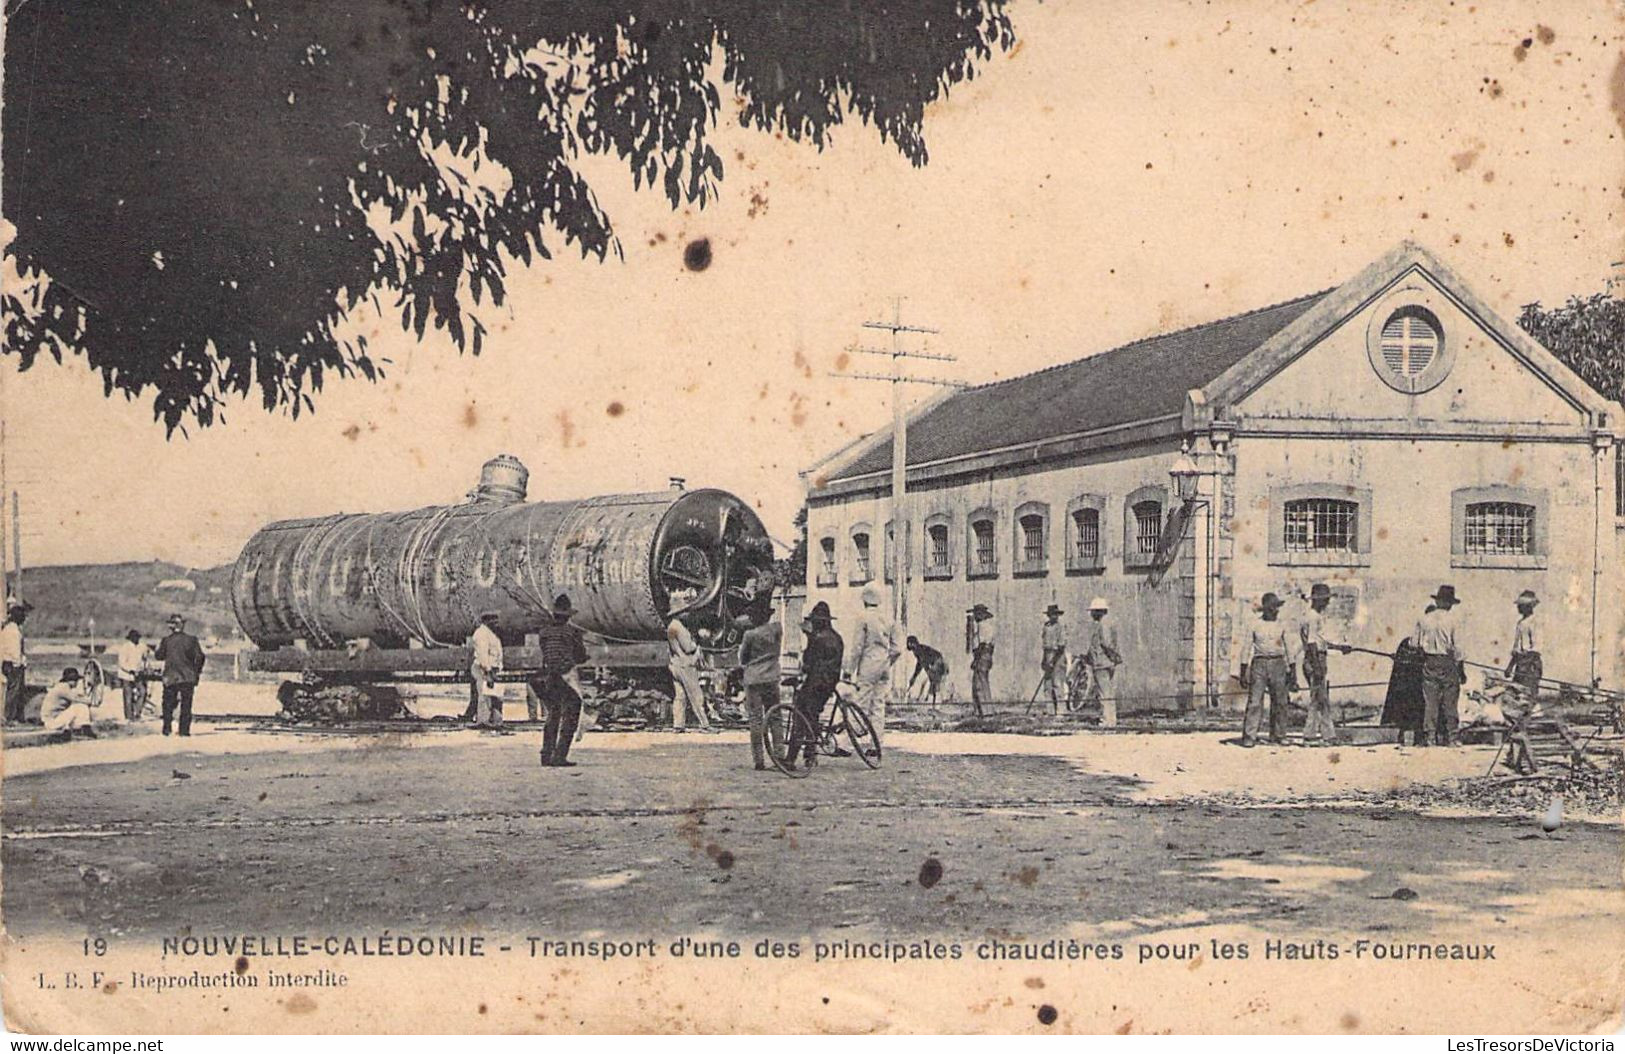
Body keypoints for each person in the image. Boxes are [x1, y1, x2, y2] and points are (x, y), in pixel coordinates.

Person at [1238, 592, 1301, 747]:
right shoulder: (1254, 624)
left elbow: (1290, 649)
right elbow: (1246, 648)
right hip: (1259, 664)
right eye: (1272, 607)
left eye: (1277, 607)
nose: (1275, 610)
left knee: (1280, 701)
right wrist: (1243, 672)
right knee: (1254, 701)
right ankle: (1249, 736)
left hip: (1278, 664)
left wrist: (1293, 671)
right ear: (1265, 609)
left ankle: (1278, 735)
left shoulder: (1282, 625)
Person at [534, 594, 589, 767]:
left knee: (553, 714)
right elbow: (580, 655)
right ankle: (560, 755)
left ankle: (546, 754)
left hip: (550, 676)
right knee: (571, 714)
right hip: (565, 676)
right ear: (568, 616)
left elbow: (546, 652)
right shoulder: (572, 632)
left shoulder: (544, 633)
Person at [790, 602, 843, 770]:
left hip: (815, 683)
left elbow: (808, 664)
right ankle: (810, 755)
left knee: (800, 715)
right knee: (813, 716)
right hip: (829, 685)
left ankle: (791, 757)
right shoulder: (837, 638)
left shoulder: (817, 639)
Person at [847, 585, 899, 747]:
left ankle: (847, 743)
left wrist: (849, 670)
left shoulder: (862, 618)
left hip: (868, 664)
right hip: (884, 665)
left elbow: (857, 647)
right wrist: (887, 662)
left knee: (859, 703)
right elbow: (897, 649)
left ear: (864, 600)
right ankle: (876, 744)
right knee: (878, 706)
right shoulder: (889, 619)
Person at [1414, 584, 1465, 747]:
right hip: (1448, 662)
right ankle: (1452, 738)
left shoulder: (1424, 619)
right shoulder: (1454, 620)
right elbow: (1458, 648)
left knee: (1431, 702)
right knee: (1450, 701)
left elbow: (1415, 644)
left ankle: (1430, 737)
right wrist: (1461, 670)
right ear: (1450, 603)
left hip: (1429, 661)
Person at [737, 601, 782, 771]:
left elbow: (743, 659)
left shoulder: (750, 635)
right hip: (772, 677)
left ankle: (759, 760)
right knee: (776, 717)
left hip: (754, 679)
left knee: (755, 719)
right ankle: (779, 755)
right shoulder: (777, 629)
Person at [1298, 584, 1341, 745]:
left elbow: (1320, 641)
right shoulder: (1313, 617)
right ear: (1318, 600)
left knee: (1318, 698)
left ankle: (1313, 733)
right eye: (1325, 600)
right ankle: (1323, 735)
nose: (1327, 603)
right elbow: (1311, 644)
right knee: (1319, 698)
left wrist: (1339, 647)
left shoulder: (1312, 616)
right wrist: (1317, 666)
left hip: (1316, 656)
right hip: (1314, 658)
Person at [152, 614, 205, 737]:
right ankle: (184, 731)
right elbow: (200, 657)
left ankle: (167, 729)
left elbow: (159, 656)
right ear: (182, 626)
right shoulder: (192, 640)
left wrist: (157, 649)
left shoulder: (166, 640)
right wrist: (196, 672)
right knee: (186, 705)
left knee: (167, 704)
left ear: (173, 626)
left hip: (170, 677)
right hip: (188, 677)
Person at [667, 590, 711, 731]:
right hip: (686, 664)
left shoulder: (671, 626)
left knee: (680, 696)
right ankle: (704, 724)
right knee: (696, 695)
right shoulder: (680, 628)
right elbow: (688, 647)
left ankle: (678, 724)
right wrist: (699, 641)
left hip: (675, 664)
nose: (688, 613)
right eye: (686, 610)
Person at [1380, 635, 1428, 746]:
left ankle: (1405, 733)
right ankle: (1413, 735)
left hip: (1407, 681)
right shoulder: (1412, 645)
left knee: (1407, 702)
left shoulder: (1407, 645)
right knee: (1413, 701)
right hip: (1410, 681)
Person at [1082, 598, 1123, 727]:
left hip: (1102, 663)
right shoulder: (1108, 623)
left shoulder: (1103, 624)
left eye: (1093, 611)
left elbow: (1106, 643)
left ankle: (1107, 720)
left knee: (1104, 693)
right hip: (1106, 662)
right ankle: (1111, 719)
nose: (1091, 614)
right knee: (1108, 692)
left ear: (1099, 611)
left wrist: (1113, 657)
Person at [470, 610, 506, 728]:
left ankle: (496, 721)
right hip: (483, 669)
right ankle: (483, 721)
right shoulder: (481, 634)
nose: (496, 622)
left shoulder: (490, 633)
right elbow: (483, 655)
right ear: (486, 621)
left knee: (495, 695)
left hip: (492, 669)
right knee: (485, 694)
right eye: (493, 620)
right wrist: (489, 671)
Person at [1505, 589, 1542, 697]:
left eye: (1521, 605)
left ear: (1529, 606)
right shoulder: (1520, 623)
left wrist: (1525, 664)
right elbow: (1516, 649)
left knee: (1527, 695)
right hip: (1521, 663)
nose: (1518, 607)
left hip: (1531, 665)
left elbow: (1536, 648)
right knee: (1515, 693)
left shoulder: (1535, 622)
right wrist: (1510, 667)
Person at [39, 667, 99, 734]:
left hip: (54, 719)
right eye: (76, 680)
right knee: (80, 706)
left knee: (78, 714)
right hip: (52, 722)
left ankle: (82, 730)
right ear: (72, 680)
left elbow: (78, 696)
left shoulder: (61, 686)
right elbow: (78, 699)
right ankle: (86, 730)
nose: (77, 683)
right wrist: (92, 701)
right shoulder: (63, 687)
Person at [1, 600, 30, 724]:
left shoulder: (8, 629)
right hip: (13, 664)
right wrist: (19, 664)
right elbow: (14, 650)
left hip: (8, 663)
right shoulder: (13, 631)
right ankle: (8, 717)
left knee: (15, 690)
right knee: (13, 691)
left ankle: (15, 716)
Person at [115, 628, 152, 721]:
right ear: (130, 638)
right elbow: (121, 662)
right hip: (126, 675)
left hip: (138, 675)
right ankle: (129, 716)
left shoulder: (142, 647)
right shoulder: (125, 647)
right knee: (128, 696)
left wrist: (146, 667)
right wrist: (130, 670)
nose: (136, 639)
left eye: (137, 637)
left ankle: (137, 713)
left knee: (143, 692)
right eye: (134, 637)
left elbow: (145, 659)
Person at [967, 604, 996, 715]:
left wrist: (976, 660)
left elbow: (983, 644)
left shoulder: (984, 625)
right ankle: (982, 711)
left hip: (982, 655)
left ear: (981, 614)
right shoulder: (983, 625)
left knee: (980, 684)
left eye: (976, 614)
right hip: (982, 655)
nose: (975, 616)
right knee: (979, 683)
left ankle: (986, 712)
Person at [905, 636, 949, 706]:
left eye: (908, 643)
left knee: (934, 682)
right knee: (934, 683)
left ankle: (936, 704)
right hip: (937, 662)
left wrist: (915, 677)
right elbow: (920, 664)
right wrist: (914, 676)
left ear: (912, 643)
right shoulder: (918, 649)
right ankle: (934, 704)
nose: (907, 644)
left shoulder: (918, 650)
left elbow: (922, 663)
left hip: (938, 662)